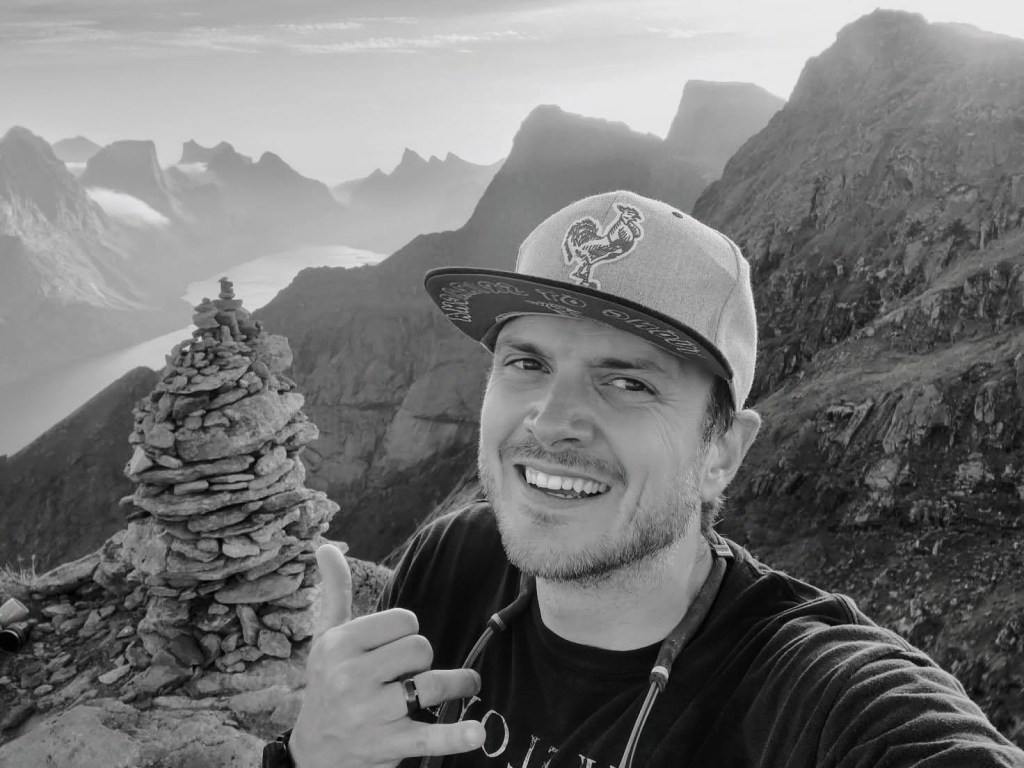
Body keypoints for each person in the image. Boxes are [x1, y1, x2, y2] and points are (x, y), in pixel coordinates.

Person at [269, 191, 1024, 768]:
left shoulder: (812, 700)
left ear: (722, 451)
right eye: (527, 362)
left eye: (628, 381)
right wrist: (309, 757)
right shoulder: (450, 566)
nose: (551, 421)